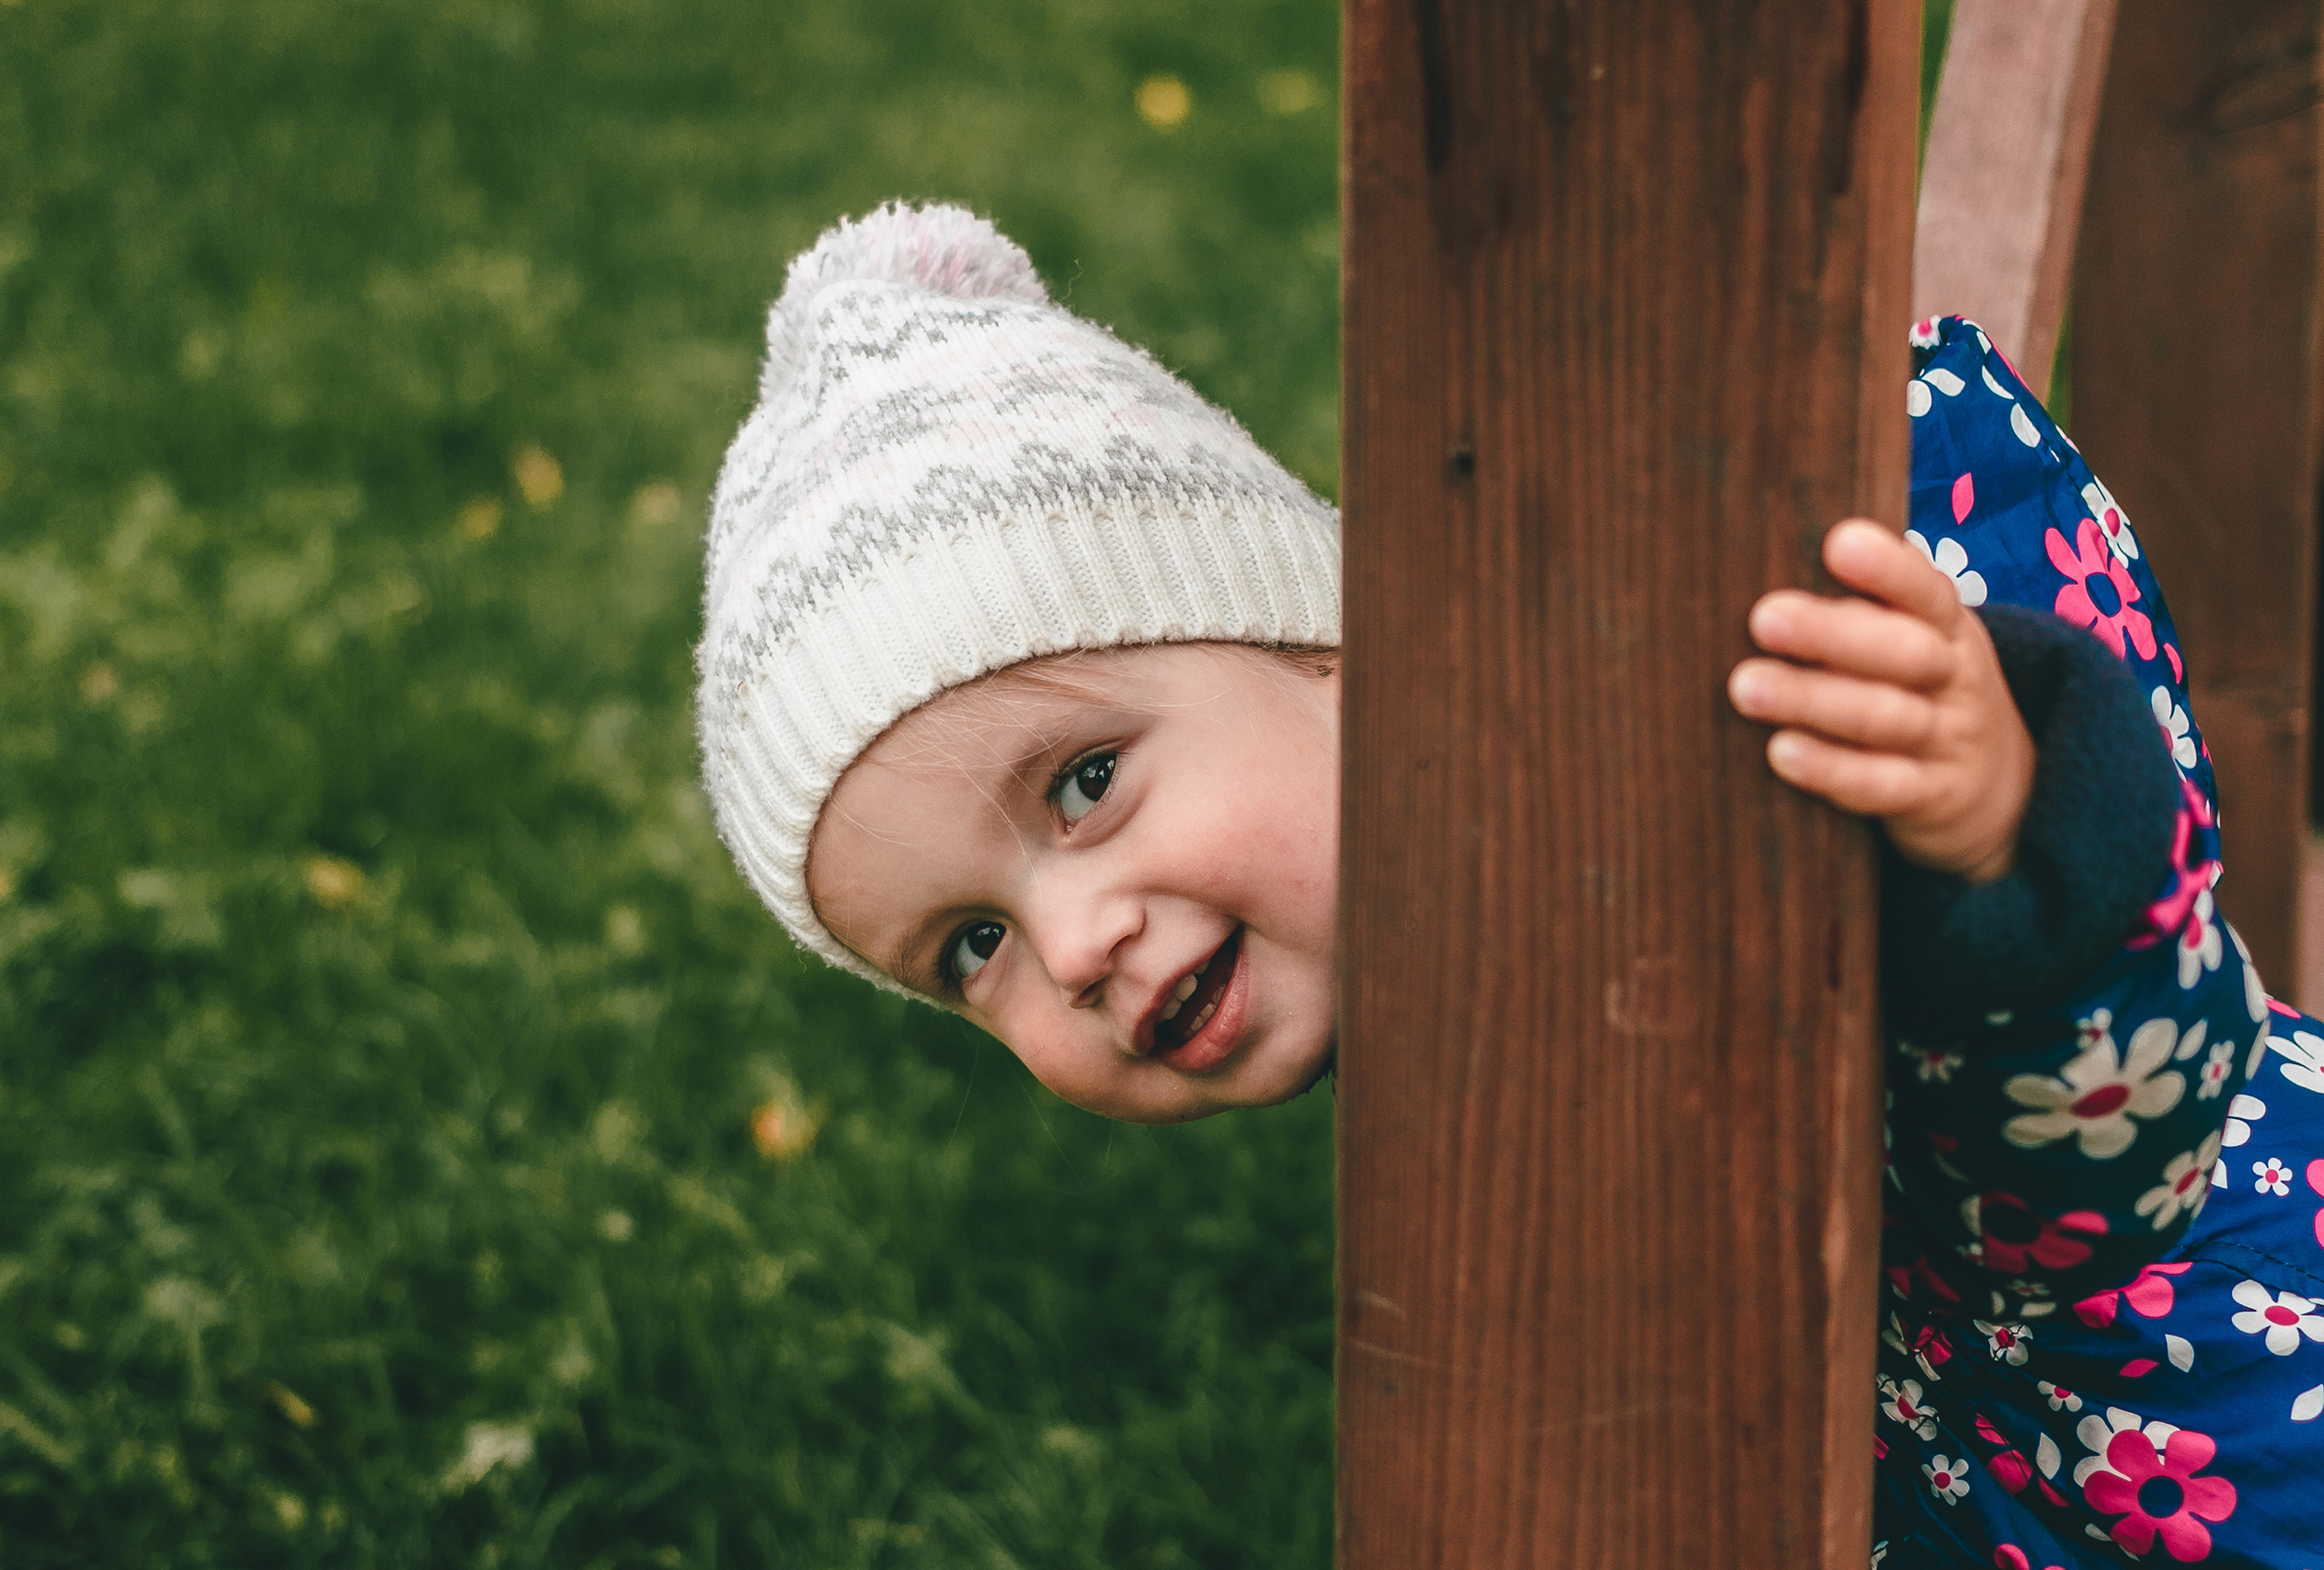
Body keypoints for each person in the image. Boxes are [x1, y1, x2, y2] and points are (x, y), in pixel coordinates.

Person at [696, 201, 2324, 1565]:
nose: (1070, 944)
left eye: (1087, 784)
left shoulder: (1707, 777)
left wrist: (2002, 844)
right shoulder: (1479, 970)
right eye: (967, 945)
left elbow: (2117, 1174)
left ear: (1324, 646)